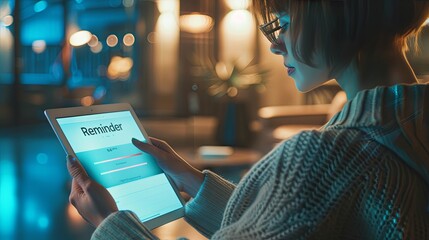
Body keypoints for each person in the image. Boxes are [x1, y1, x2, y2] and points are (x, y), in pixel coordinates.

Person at [66, 0, 429, 239]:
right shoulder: (409, 129)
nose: (275, 44)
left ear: (333, 14)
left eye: (284, 23)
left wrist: (109, 224)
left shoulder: (325, 155)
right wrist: (191, 180)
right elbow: (303, 220)